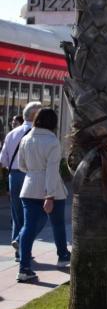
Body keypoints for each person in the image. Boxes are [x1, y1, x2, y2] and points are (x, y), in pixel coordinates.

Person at [17, 107, 70, 282]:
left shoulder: (26, 139)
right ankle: (63, 256)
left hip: (29, 187)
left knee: (28, 227)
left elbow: (22, 166)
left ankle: (24, 267)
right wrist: (49, 195)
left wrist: (34, 173)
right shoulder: (52, 141)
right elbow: (52, 170)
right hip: (51, 190)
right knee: (58, 224)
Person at [0, 101, 42, 261]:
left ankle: (19, 251)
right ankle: (22, 246)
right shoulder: (38, 133)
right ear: (35, 115)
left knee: (17, 214)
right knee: (34, 214)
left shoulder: (12, 134)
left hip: (14, 176)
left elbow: (3, 160)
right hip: (31, 176)